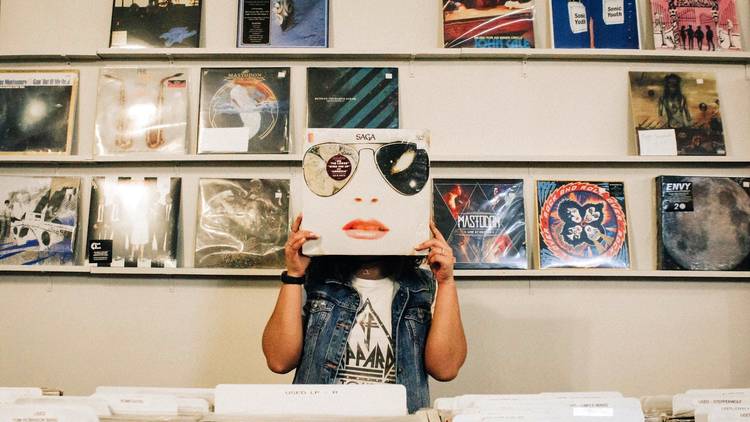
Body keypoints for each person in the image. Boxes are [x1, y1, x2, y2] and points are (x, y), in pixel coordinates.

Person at [262, 214, 467, 413]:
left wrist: (446, 282)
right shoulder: (314, 280)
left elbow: (445, 369)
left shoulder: (423, 286)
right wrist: (294, 275)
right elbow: (279, 361)